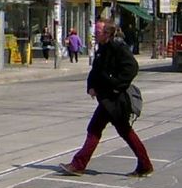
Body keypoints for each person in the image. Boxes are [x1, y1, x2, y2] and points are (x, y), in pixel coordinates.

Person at [59, 20, 153, 178]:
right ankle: (145, 165)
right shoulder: (102, 48)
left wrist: (116, 85)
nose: (95, 34)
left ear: (107, 34)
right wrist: (91, 86)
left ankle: (78, 165)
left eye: (98, 31)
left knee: (97, 130)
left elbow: (132, 67)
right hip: (107, 98)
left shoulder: (117, 47)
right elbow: (96, 70)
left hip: (115, 100)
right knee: (121, 131)